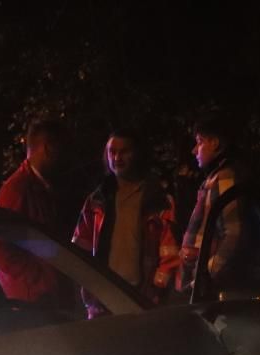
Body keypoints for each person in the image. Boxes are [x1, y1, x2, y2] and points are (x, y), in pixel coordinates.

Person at [71, 129, 179, 311]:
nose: (117, 158)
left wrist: (156, 290)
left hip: (140, 296)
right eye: (112, 152)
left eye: (124, 151)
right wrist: (87, 290)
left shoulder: (157, 200)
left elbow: (170, 252)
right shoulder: (97, 200)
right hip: (103, 297)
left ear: (137, 154)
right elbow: (80, 248)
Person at [0, 117, 65, 304]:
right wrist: (37, 277)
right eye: (63, 148)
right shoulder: (18, 189)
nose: (65, 156)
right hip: (33, 300)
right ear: (48, 148)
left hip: (43, 296)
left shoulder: (40, 186)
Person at [179, 114, 253, 300]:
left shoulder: (224, 178)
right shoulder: (215, 178)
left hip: (214, 289)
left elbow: (234, 234)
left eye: (200, 142)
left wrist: (206, 275)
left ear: (215, 143)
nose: (194, 150)